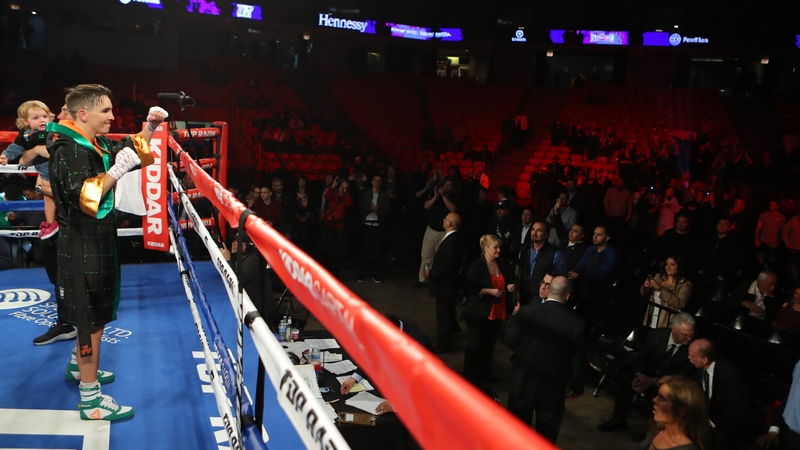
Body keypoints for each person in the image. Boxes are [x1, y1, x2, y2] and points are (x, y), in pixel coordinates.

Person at [49, 84, 167, 420]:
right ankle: (90, 400)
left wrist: (150, 127)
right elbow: (86, 199)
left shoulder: (92, 142)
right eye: (106, 111)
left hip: (94, 241)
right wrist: (116, 171)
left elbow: (130, 148)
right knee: (91, 321)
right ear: (83, 114)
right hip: (81, 244)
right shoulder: (68, 149)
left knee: (96, 312)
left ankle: (78, 367)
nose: (113, 117)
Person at [504, 276, 585, 444]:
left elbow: (510, 340)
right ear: (568, 296)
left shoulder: (526, 312)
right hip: (552, 391)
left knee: (515, 435)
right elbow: (578, 361)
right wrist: (576, 387)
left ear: (548, 290)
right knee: (546, 439)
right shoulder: (576, 324)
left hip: (522, 383)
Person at [598, 313, 696, 432]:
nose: (689, 338)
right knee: (626, 380)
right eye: (685, 335)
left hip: (667, 382)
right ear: (674, 329)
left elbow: (682, 376)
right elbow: (642, 357)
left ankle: (656, 430)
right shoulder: (656, 335)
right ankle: (619, 418)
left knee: (661, 395)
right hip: (646, 374)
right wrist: (640, 375)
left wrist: (653, 381)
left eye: (691, 335)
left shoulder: (692, 348)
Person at [0, 100, 59, 239]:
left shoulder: (54, 129)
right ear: (26, 122)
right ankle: (51, 223)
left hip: (61, 165)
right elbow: (16, 148)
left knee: (58, 193)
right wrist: (6, 156)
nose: (42, 120)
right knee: (49, 196)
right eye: (36, 118)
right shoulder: (25, 134)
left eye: (44, 116)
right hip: (43, 168)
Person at [463, 234, 515, 384]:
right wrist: (488, 291)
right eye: (495, 248)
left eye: (500, 247)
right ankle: (470, 378)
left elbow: (505, 280)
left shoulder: (501, 263)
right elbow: (470, 287)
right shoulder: (477, 266)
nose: (499, 250)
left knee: (488, 345)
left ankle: (485, 374)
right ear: (486, 248)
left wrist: (509, 286)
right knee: (475, 345)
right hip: (478, 312)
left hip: (497, 311)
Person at [688, 339, 756, 450]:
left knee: (717, 439)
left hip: (731, 421)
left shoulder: (730, 374)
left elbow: (737, 408)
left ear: (704, 359)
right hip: (710, 414)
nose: (689, 358)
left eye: (692, 356)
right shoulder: (700, 368)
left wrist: (710, 422)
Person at [424, 212, 464, 353]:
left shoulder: (451, 241)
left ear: (450, 224)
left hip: (445, 285)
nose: (443, 219)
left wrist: (431, 274)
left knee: (443, 315)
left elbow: (446, 265)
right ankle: (452, 331)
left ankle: (444, 343)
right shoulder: (455, 238)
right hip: (448, 284)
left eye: (445, 218)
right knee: (448, 311)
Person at [639, 374, 710, 450]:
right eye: (657, 395)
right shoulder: (657, 428)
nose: (654, 400)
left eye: (662, 398)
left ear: (681, 410)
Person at [518, 221, 564, 306]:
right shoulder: (524, 249)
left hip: (541, 298)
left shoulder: (555, 253)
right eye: (533, 229)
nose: (534, 233)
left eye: (539, 231)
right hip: (522, 295)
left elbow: (560, 278)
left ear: (546, 235)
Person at [642, 256, 694, 328]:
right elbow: (644, 293)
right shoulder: (659, 277)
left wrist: (661, 289)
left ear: (679, 266)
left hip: (666, 322)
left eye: (672, 265)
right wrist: (646, 287)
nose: (668, 267)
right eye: (667, 264)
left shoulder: (685, 284)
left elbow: (680, 304)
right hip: (651, 317)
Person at [358, 175, 390, 283]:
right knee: (365, 248)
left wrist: (377, 210)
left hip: (378, 225)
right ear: (372, 181)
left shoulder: (384, 195)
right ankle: (363, 271)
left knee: (377, 249)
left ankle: (375, 271)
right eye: (375, 179)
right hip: (366, 223)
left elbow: (387, 210)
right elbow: (361, 208)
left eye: (379, 180)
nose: (377, 182)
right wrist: (369, 208)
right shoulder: (366, 194)